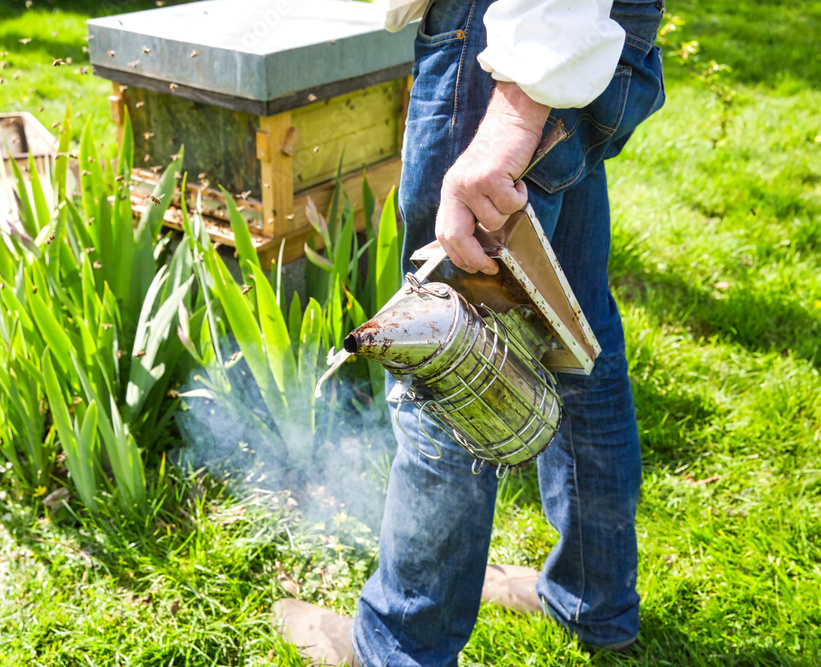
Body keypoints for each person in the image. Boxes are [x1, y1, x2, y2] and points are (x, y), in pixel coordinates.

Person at [275, 0, 666, 664]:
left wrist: (513, 118)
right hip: (579, 39)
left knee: (445, 356)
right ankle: (591, 597)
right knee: (575, 331)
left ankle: (399, 645)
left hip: (507, 45)